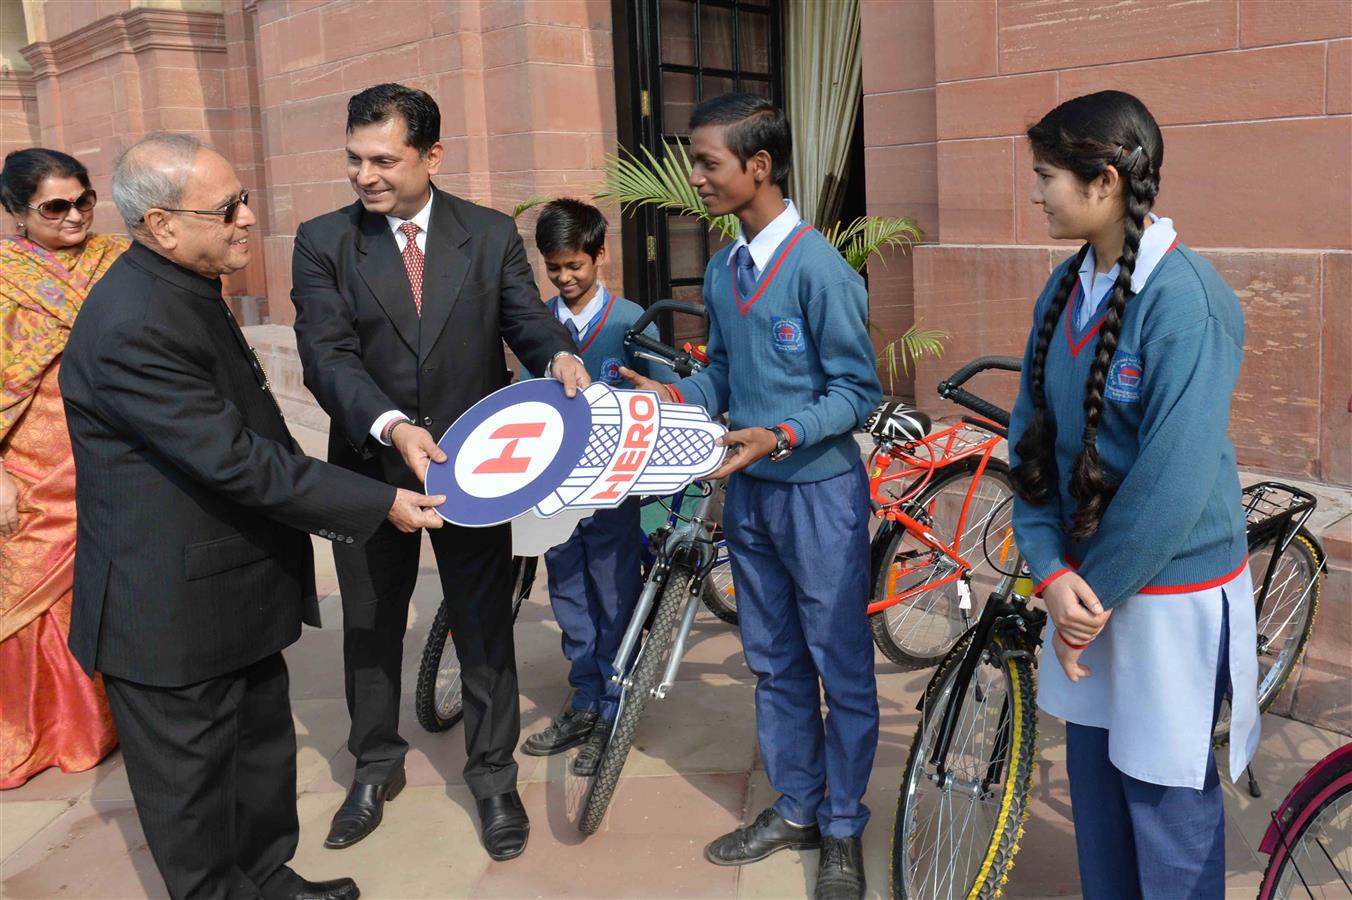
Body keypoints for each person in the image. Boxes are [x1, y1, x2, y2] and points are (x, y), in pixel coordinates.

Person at [59, 133, 444, 900]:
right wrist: (376, 501)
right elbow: (234, 457)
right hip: (171, 611)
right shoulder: (134, 320)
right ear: (163, 224)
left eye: (242, 197)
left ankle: (268, 879)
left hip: (231, 587)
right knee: (194, 804)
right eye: (229, 205)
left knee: (259, 764)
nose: (247, 216)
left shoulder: (179, 283)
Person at [290, 83, 586, 861]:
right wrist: (390, 425)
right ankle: (374, 766)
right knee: (370, 623)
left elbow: (525, 319)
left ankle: (493, 777)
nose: (365, 175)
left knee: (482, 624)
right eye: (354, 159)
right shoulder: (323, 241)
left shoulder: (487, 235)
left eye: (383, 158)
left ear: (432, 156)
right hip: (370, 465)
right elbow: (327, 356)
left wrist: (556, 353)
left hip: (474, 468)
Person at [622, 93, 882, 900]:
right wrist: (678, 396)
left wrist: (783, 434)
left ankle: (843, 824)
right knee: (772, 661)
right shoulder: (732, 266)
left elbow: (856, 390)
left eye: (707, 162)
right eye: (695, 162)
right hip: (754, 497)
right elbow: (727, 375)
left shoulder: (818, 268)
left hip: (819, 496)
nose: (695, 177)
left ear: (758, 166)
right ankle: (798, 805)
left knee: (838, 664)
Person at [1008, 91, 1258, 898]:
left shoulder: (1188, 301)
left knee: (1165, 804)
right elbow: (1030, 445)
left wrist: (1088, 602)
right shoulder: (1064, 291)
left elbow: (1174, 481)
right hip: (1086, 589)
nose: (1037, 192)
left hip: (1166, 591)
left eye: (1048, 176)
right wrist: (1048, 569)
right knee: (1099, 795)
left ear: (1105, 181)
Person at [517, 198, 673, 776]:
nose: (564, 277)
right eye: (554, 268)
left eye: (575, 265)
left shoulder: (634, 319)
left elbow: (661, 393)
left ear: (600, 255)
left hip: (613, 488)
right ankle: (584, 698)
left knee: (614, 593)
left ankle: (614, 708)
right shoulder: (538, 322)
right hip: (555, 489)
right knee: (567, 593)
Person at [0, 148, 123, 789]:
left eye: (84, 201)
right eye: (55, 207)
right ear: (19, 214)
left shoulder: (120, 260)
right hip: (33, 460)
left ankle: (112, 721)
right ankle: (43, 732)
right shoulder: (1, 277)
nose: (75, 216)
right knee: (34, 596)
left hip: (115, 449)